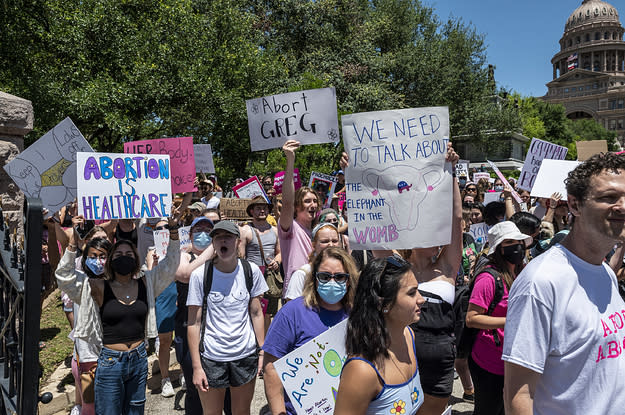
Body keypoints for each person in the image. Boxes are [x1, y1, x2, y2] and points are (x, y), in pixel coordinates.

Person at [503, 152, 625, 415]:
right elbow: (519, 394)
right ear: (574, 205)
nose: (622, 206)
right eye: (609, 198)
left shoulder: (604, 272)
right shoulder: (541, 282)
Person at [58, 215, 180, 415]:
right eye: (118, 254)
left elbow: (171, 263)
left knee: (135, 410)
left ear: (136, 259)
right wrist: (73, 241)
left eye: (129, 254)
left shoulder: (147, 282)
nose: (124, 257)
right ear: (111, 261)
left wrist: (173, 231)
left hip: (139, 359)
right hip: (109, 362)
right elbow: (64, 276)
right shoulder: (96, 286)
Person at [263, 247, 359, 415]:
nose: (332, 282)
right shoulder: (292, 312)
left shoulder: (357, 314)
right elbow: (271, 368)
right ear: (314, 278)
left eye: (340, 277)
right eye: (324, 276)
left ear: (349, 280)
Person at [186, 221, 267, 415]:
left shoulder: (251, 271)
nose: (223, 240)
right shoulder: (199, 275)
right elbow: (193, 323)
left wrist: (262, 352)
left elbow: (256, 313)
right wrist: (196, 367)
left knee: (241, 411)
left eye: (228, 237)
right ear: (213, 243)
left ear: (238, 242)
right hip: (212, 358)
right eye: (218, 237)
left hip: (245, 355)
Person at [405, 143, 462, 415]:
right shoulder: (397, 266)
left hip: (440, 359)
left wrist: (451, 172)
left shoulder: (448, 268)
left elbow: (457, 219)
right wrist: (356, 177)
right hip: (401, 356)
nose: (435, 237)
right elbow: (375, 233)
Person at [334, 255, 426, 415]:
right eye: (411, 293)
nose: (422, 299)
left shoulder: (409, 336)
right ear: (383, 304)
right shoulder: (361, 371)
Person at [465, 221, 531, 415]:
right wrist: (510, 321)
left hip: (514, 357)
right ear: (498, 248)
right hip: (489, 360)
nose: (516, 246)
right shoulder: (488, 278)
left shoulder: (522, 272)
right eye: (509, 242)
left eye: (518, 241)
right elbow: (472, 318)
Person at [173, 216, 215, 414]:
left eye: (209, 230)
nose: (204, 233)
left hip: (214, 329)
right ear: (190, 235)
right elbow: (185, 274)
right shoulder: (182, 255)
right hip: (186, 327)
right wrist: (211, 250)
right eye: (199, 229)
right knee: (194, 385)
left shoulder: (221, 258)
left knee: (218, 385)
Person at [278, 140, 320, 294]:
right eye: (307, 201)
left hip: (319, 291)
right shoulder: (291, 228)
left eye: (315, 201)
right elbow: (287, 202)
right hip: (297, 293)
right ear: (297, 206)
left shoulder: (319, 232)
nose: (313, 205)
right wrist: (290, 161)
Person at [239, 196, 282, 322]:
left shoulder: (275, 230)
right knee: (252, 310)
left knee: (268, 313)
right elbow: (241, 257)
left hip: (270, 276)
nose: (262, 211)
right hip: (252, 276)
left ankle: (265, 341)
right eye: (258, 208)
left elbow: (280, 253)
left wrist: (277, 261)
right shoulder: (245, 230)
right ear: (252, 211)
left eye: (264, 208)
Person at [284, 222, 342, 300]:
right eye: (325, 241)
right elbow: (292, 308)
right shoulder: (302, 274)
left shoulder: (344, 271)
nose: (331, 245)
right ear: (314, 245)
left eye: (334, 241)